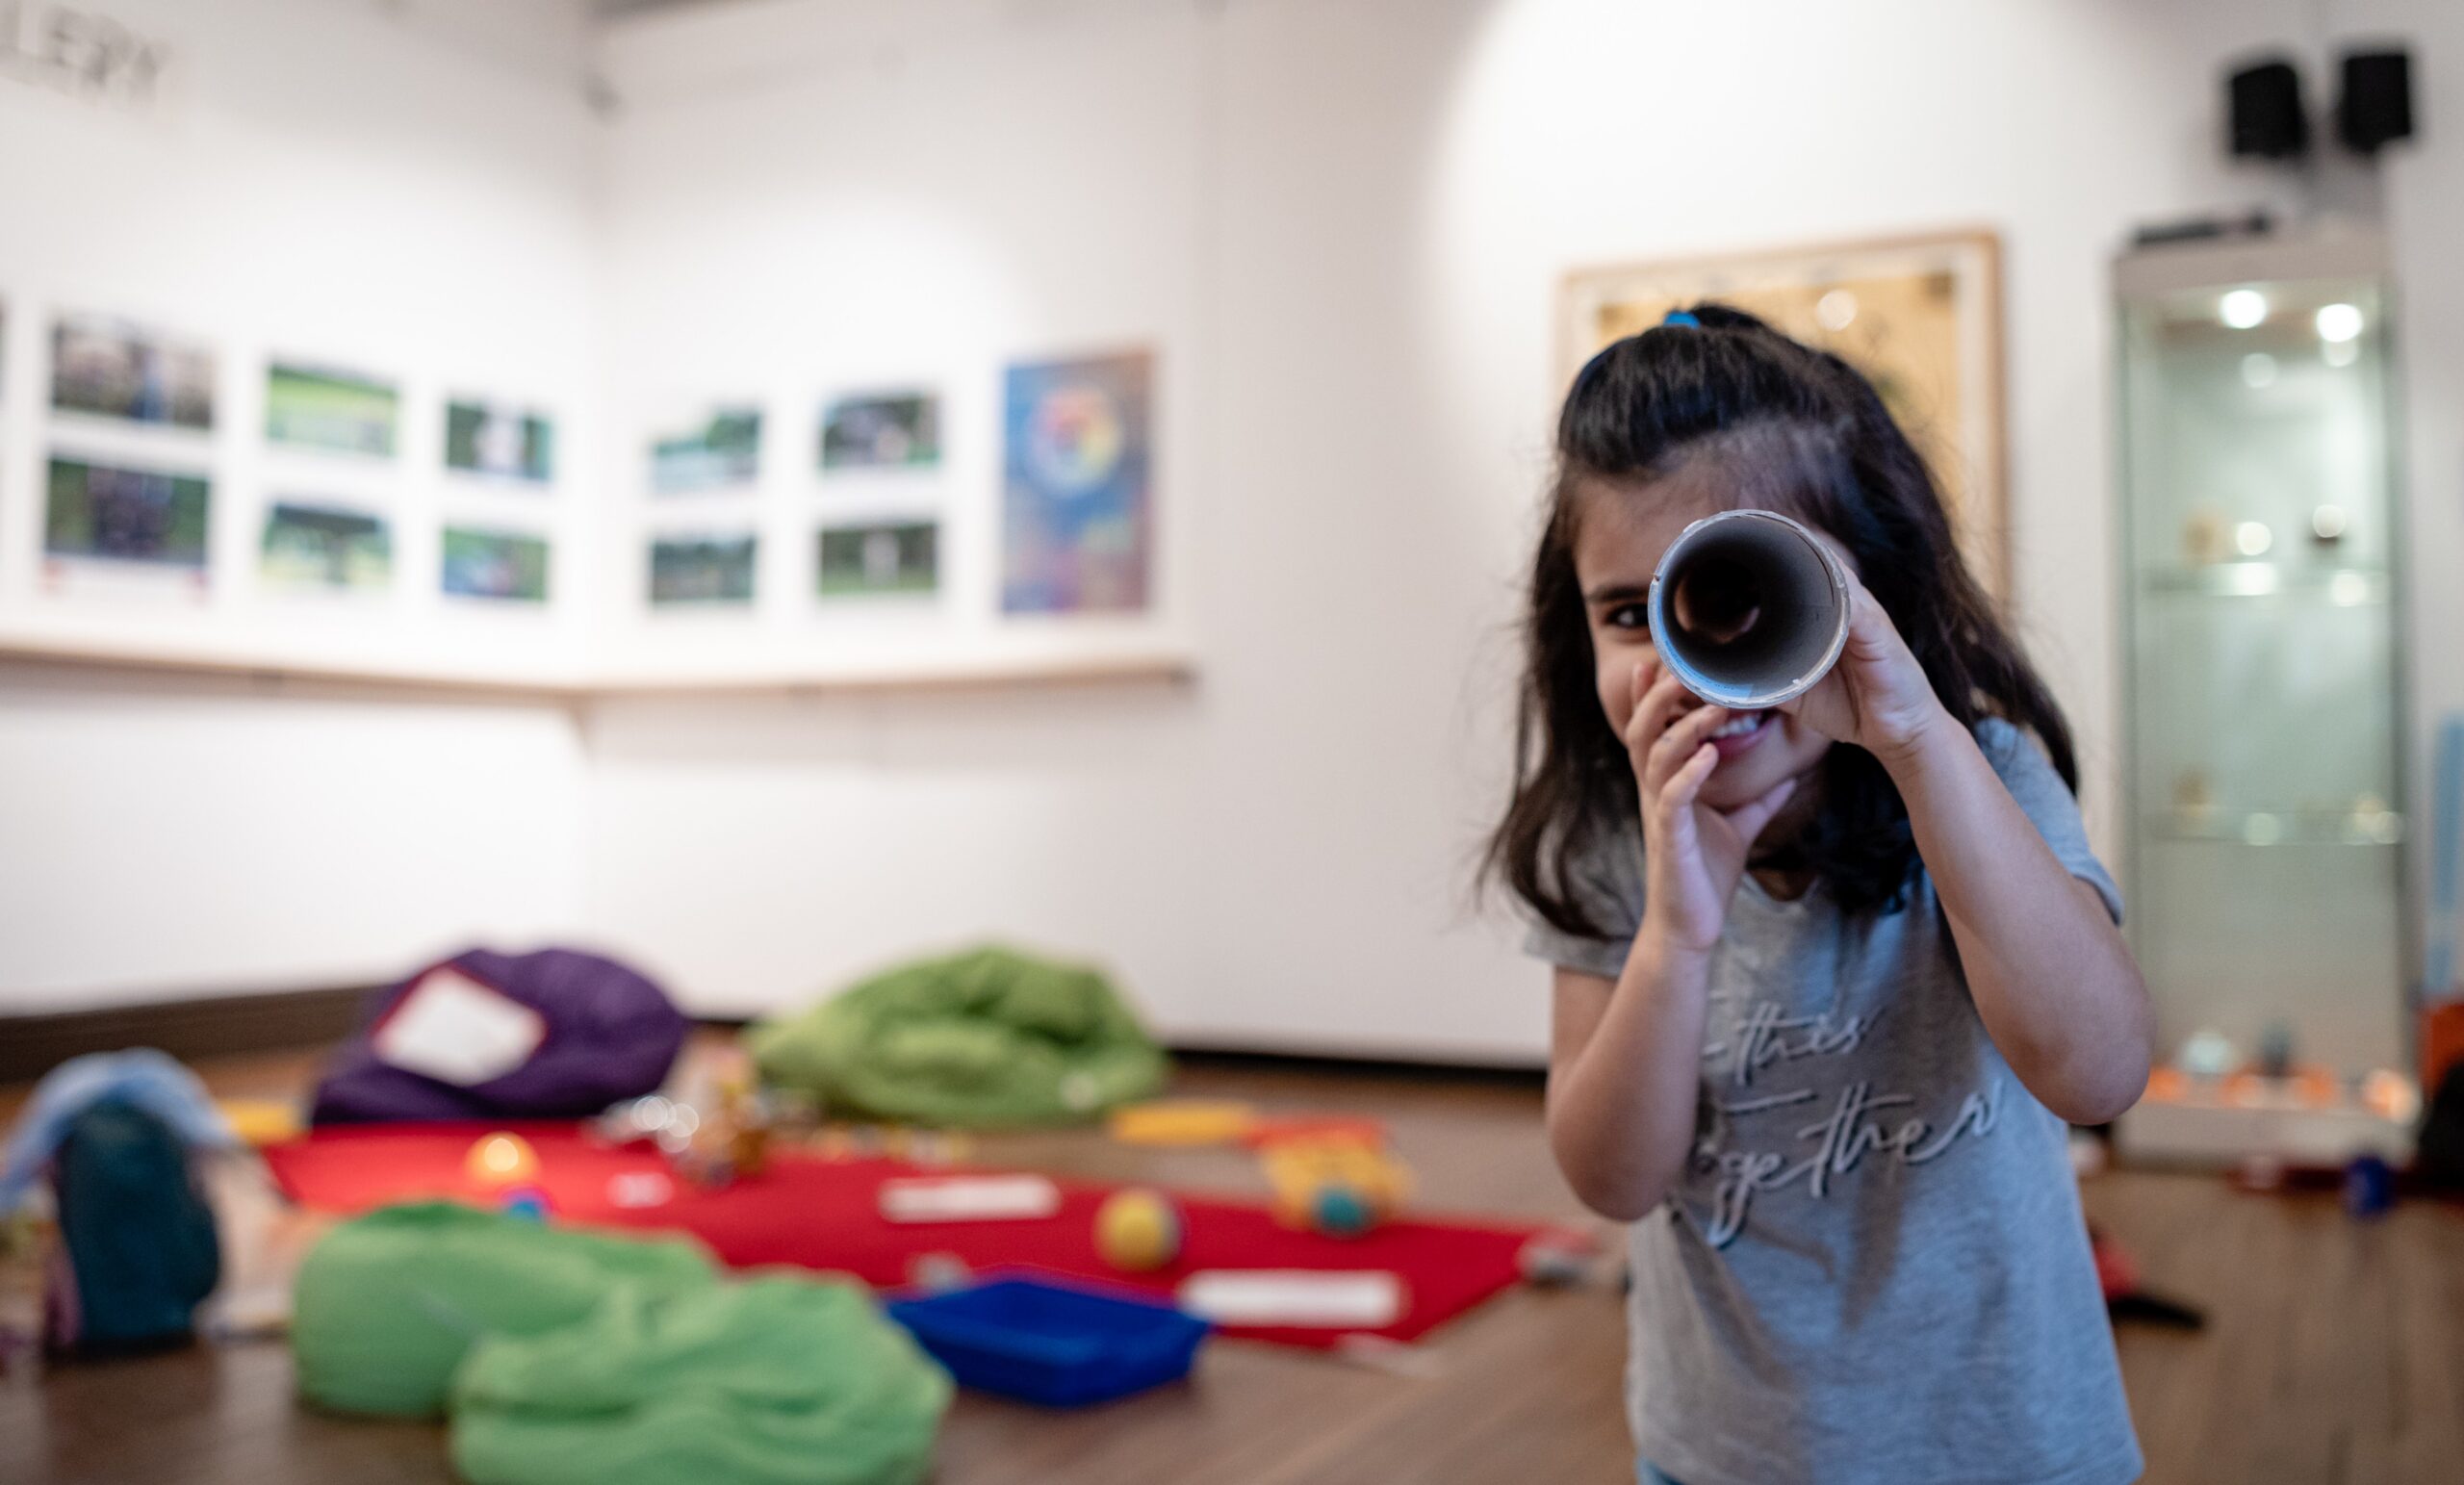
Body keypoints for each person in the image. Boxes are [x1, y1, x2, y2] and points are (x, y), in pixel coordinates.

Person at [1486, 305, 2152, 1485]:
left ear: (1864, 586)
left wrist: (1916, 739)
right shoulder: (1612, 838)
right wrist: (1677, 933)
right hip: (1724, 1457)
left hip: (2007, 1448)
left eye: (1735, 591)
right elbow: (1613, 1179)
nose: (1682, 659)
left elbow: (2097, 1074)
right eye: (1629, 613)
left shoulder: (1983, 775)